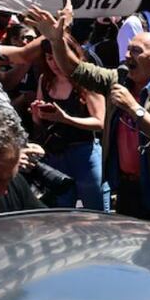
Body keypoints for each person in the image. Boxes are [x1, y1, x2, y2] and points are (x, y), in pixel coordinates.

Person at [28, 7, 150, 226]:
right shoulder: (120, 79)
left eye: (136, 51)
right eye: (128, 50)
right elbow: (75, 70)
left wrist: (134, 108)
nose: (126, 56)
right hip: (128, 192)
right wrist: (56, 40)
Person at [29, 35, 110, 211]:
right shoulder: (45, 80)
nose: (54, 63)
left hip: (85, 154)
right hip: (56, 155)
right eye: (49, 58)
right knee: (60, 213)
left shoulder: (86, 78)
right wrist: (37, 114)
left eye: (58, 56)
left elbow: (100, 122)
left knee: (96, 212)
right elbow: (39, 123)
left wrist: (65, 118)